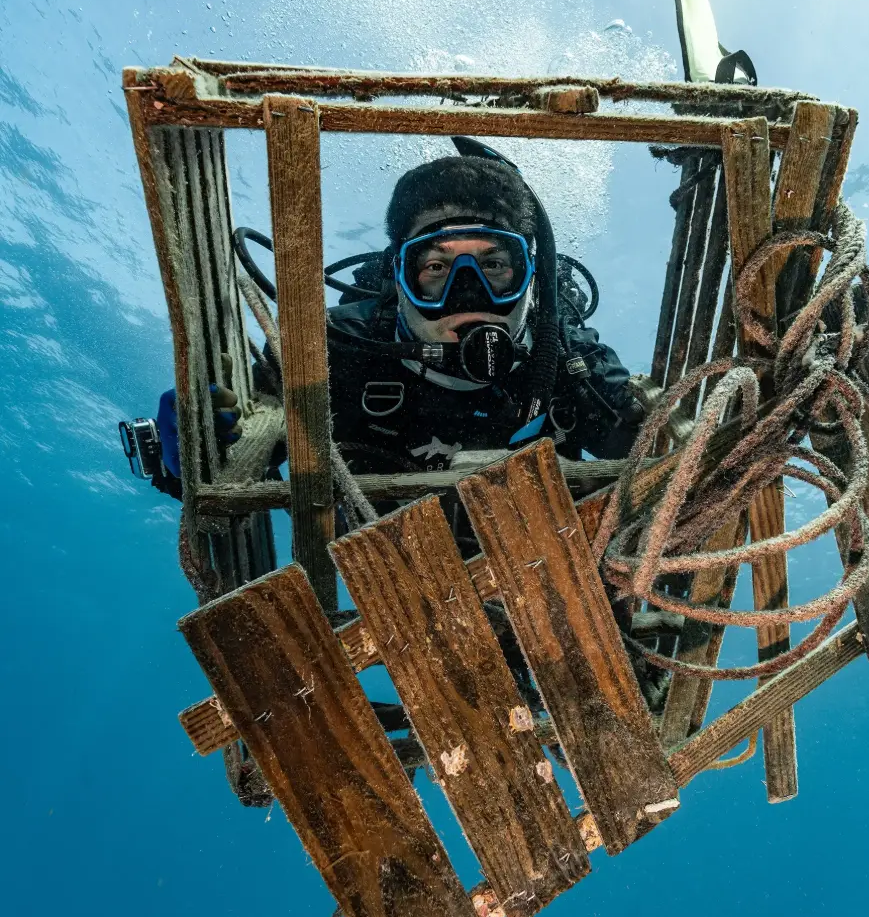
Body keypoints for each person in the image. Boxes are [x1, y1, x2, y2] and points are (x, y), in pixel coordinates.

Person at [149, 141, 668, 728]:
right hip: (403, 581)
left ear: (530, 276)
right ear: (400, 277)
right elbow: (251, 443)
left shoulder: (568, 357)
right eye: (437, 268)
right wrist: (193, 450)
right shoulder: (338, 350)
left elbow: (654, 452)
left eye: (494, 265)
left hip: (547, 571)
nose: (467, 294)